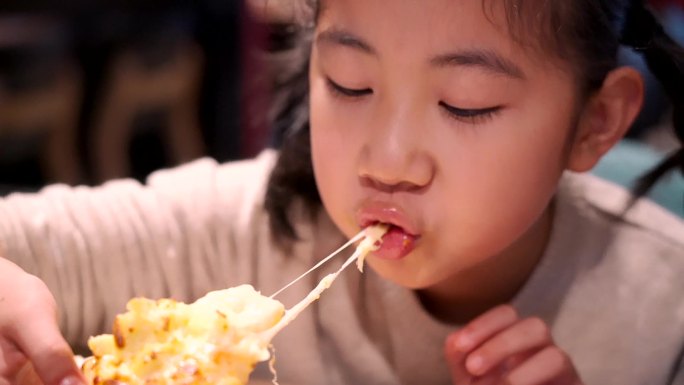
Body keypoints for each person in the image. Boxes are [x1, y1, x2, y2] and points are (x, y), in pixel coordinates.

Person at [2, 0, 684, 384]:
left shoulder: (664, 313)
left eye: (464, 104)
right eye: (351, 84)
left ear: (594, 123)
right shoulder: (237, 232)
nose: (388, 162)